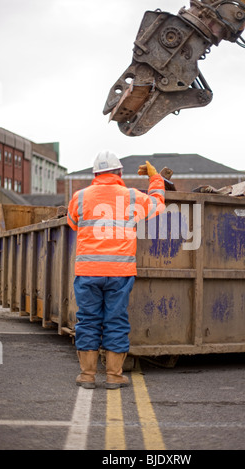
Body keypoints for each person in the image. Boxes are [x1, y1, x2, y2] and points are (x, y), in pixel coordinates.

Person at [67, 150, 165, 389]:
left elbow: (72, 223)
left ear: (95, 174)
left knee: (88, 320)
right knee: (116, 320)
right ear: (120, 172)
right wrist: (156, 179)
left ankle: (88, 375)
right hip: (120, 272)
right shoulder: (131, 196)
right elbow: (158, 206)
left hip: (88, 271)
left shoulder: (80, 196)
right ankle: (113, 376)